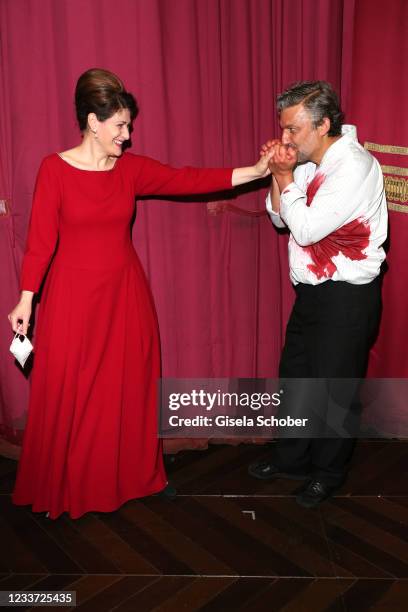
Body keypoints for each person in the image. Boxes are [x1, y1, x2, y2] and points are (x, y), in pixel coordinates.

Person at [8, 68, 272, 520]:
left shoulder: (130, 171)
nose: (127, 137)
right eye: (119, 126)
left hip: (125, 297)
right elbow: (40, 243)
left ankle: (136, 477)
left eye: (128, 126)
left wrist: (256, 170)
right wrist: (26, 298)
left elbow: (188, 179)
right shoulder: (54, 169)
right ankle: (74, 482)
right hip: (74, 299)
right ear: (93, 121)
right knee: (75, 389)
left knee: (126, 388)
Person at [248, 81, 388, 508]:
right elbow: (278, 217)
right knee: (298, 380)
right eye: (284, 129)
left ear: (323, 123)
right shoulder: (310, 160)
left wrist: (286, 174)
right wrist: (279, 173)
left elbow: (305, 228)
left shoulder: (354, 166)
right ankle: (291, 457)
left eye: (293, 129)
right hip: (311, 293)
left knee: (334, 391)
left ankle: (327, 474)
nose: (285, 138)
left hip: (347, 297)